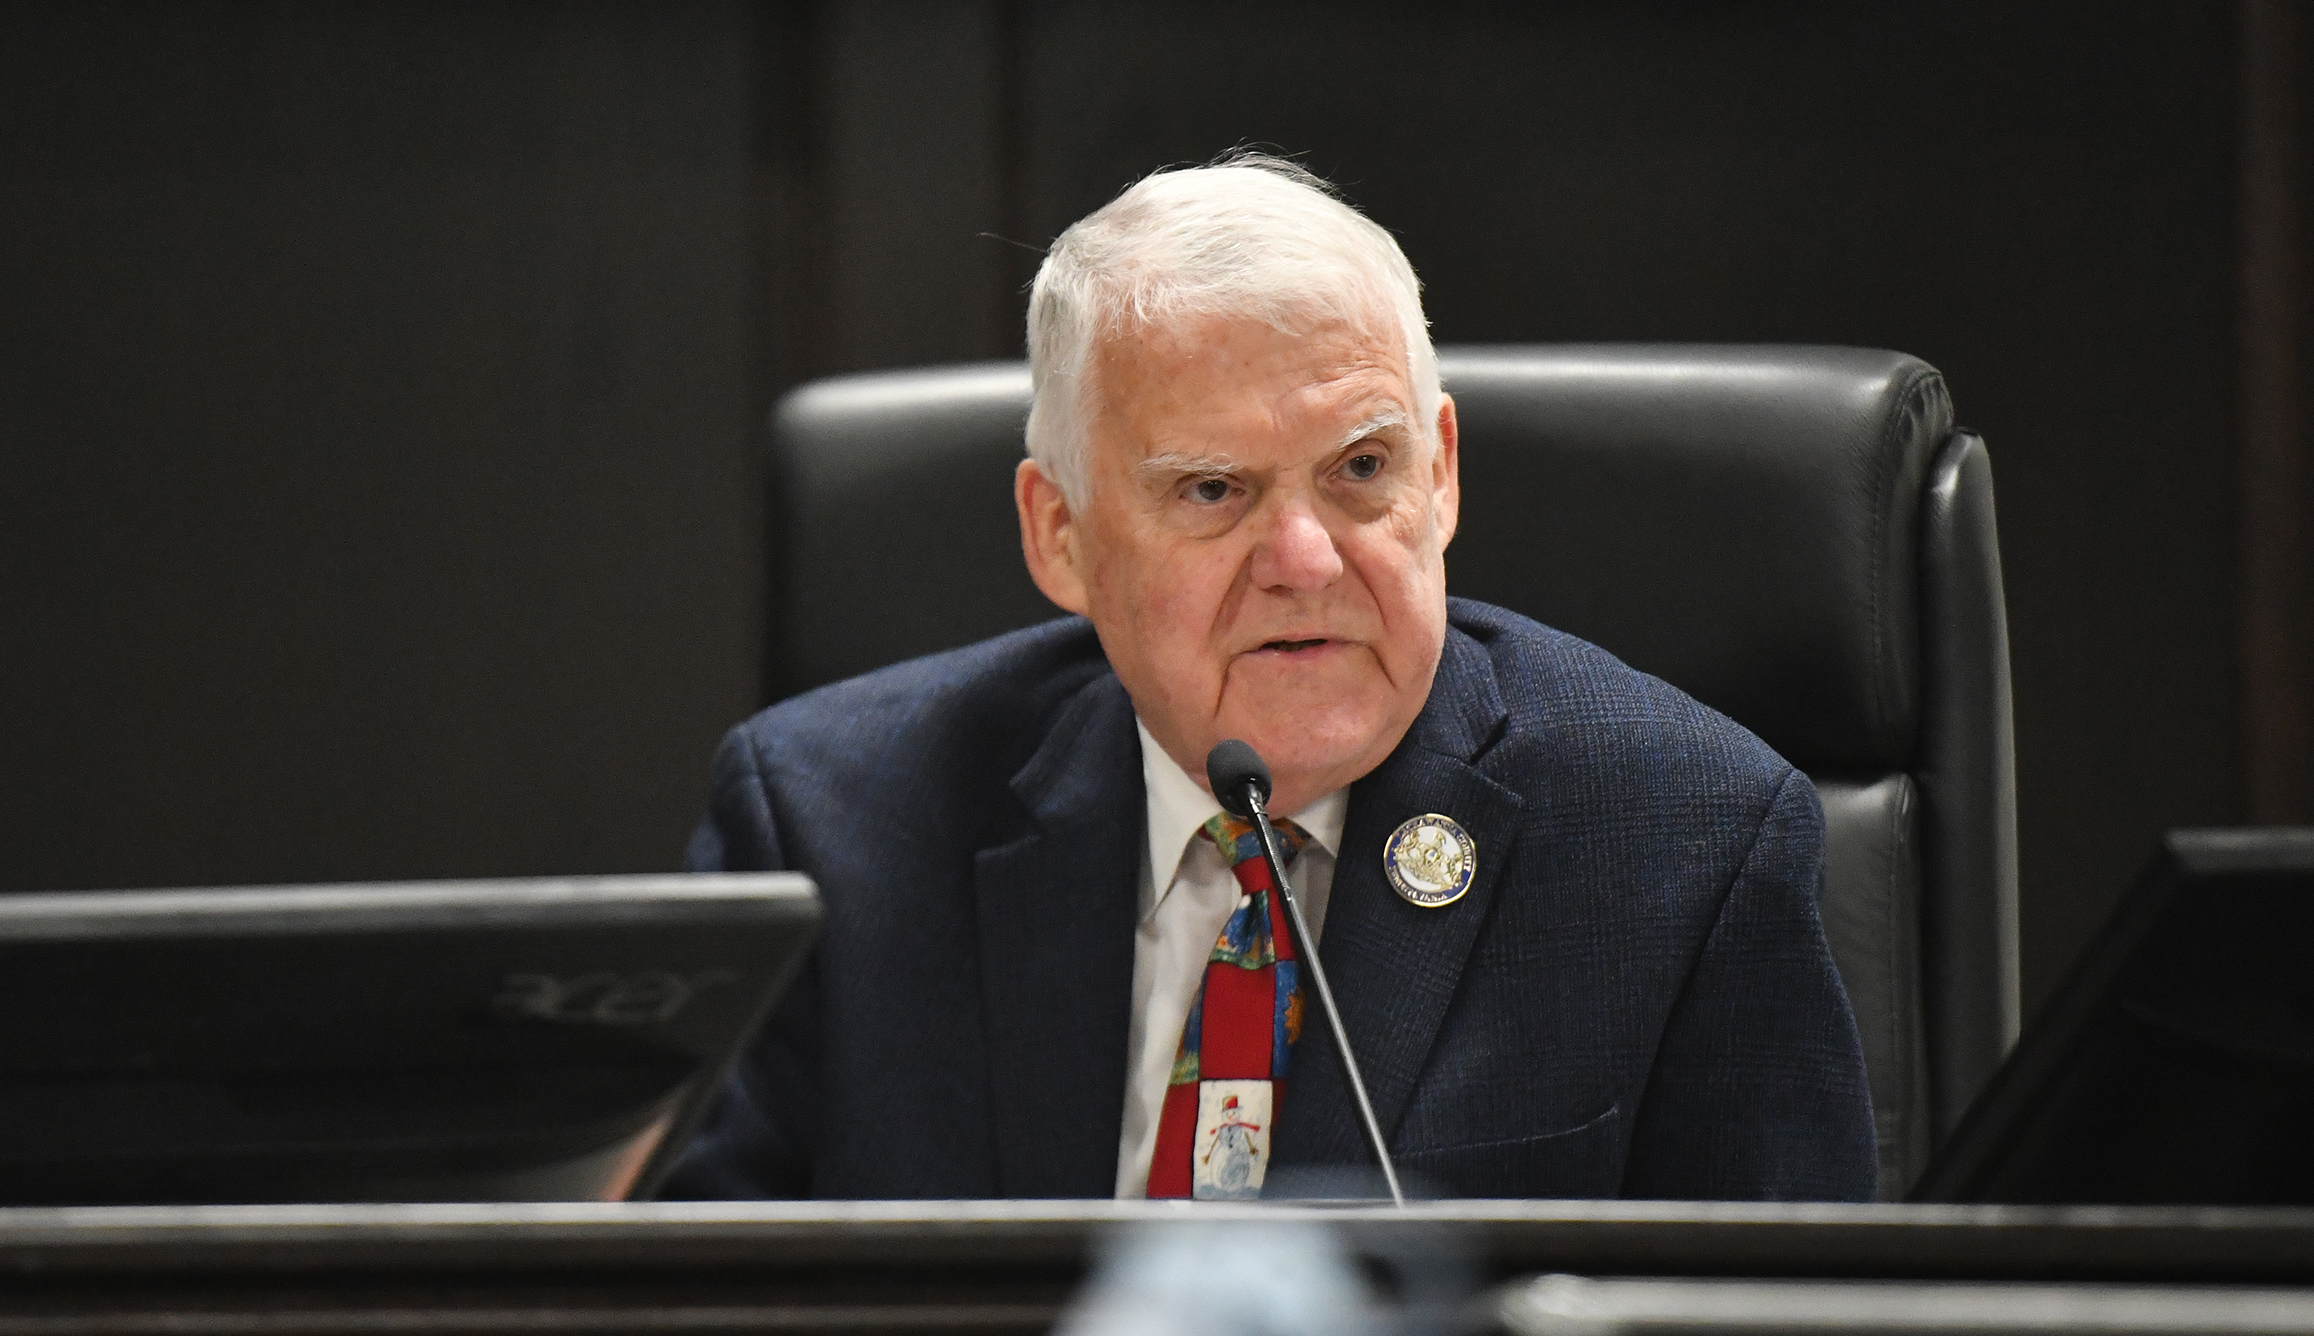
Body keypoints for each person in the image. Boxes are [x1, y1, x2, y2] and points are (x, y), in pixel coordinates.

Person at [661, 156, 1877, 1202]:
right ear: (1061, 536)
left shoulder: (1686, 839)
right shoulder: (828, 822)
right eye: (1212, 489)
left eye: (1360, 467)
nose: (1306, 560)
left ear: (1440, 474)